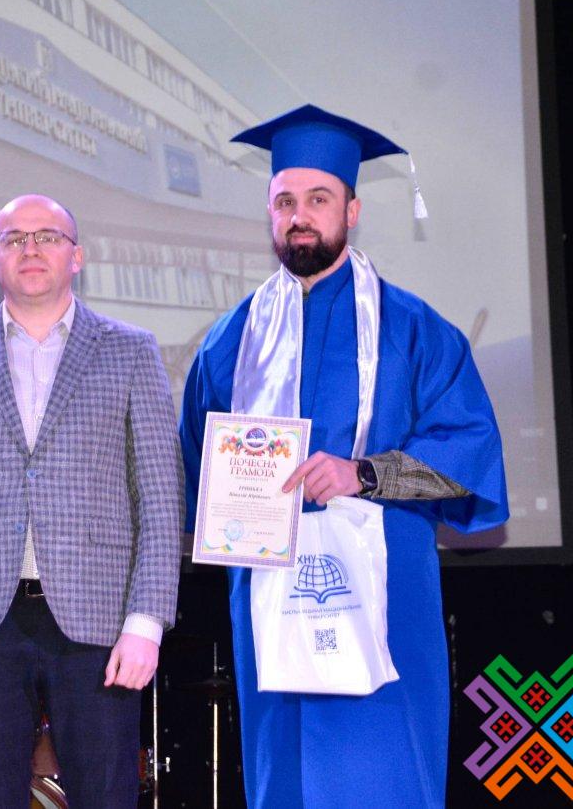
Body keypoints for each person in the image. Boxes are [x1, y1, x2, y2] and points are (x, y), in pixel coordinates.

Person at [179, 105, 509, 808]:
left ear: (352, 211)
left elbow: (467, 455)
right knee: (283, 778)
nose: (299, 217)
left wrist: (361, 474)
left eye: (318, 199)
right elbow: (194, 470)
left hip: (383, 598)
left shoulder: (415, 330)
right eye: (284, 202)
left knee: (381, 773)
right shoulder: (231, 340)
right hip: (269, 601)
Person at [0, 194, 182, 807]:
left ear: (76, 257)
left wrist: (146, 624)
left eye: (48, 236)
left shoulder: (131, 351)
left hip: (102, 625)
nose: (31, 248)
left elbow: (160, 499)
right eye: (14, 238)